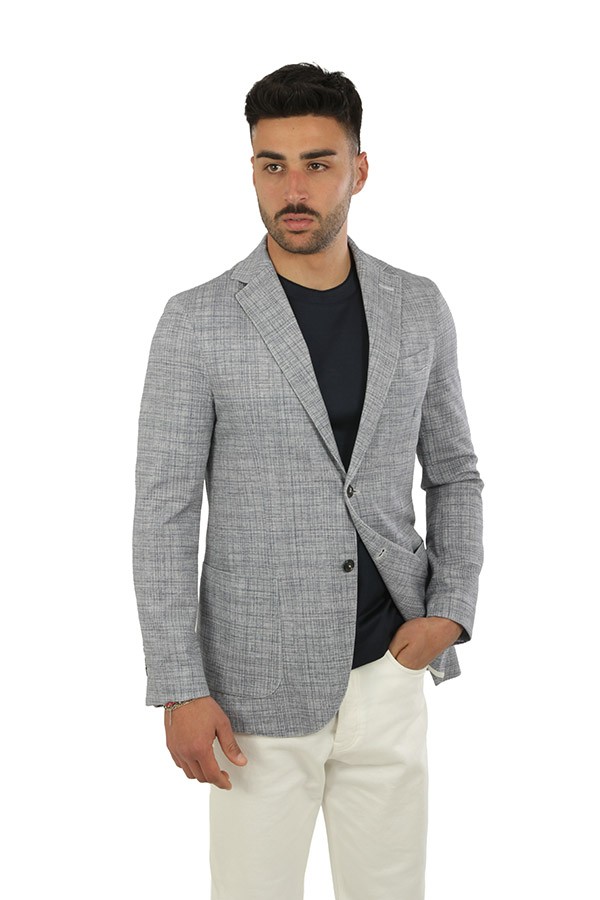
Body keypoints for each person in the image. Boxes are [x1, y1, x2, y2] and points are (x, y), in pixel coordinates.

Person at [132, 62, 484, 900]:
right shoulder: (196, 320)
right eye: (273, 165)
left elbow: (455, 471)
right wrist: (179, 687)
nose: (294, 190)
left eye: (318, 164)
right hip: (253, 686)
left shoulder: (417, 305)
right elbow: (164, 515)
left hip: (390, 666)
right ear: (253, 169)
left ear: (358, 169)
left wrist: (451, 609)